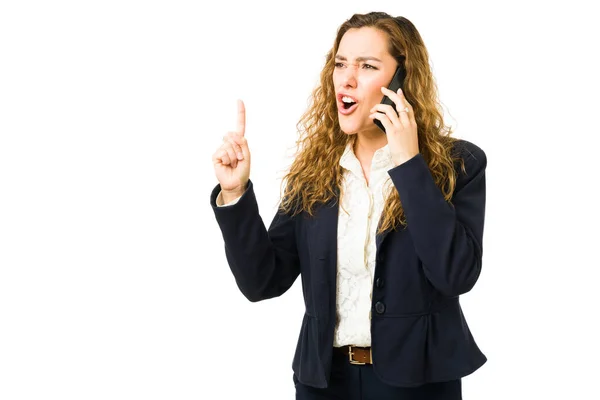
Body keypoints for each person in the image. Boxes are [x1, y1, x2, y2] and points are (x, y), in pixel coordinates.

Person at [210, 11, 487, 400]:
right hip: (324, 383)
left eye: (367, 65)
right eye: (341, 64)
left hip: (418, 384)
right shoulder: (316, 172)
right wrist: (236, 194)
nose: (347, 78)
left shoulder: (459, 165)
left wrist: (409, 166)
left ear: (402, 79)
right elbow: (262, 281)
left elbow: (456, 274)